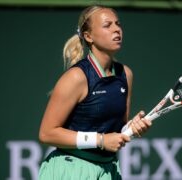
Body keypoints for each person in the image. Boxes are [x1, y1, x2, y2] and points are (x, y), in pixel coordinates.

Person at [38, 5, 152, 180]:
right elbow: (47, 133)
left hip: (108, 170)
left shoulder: (126, 74)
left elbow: (116, 129)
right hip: (70, 170)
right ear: (88, 36)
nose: (116, 29)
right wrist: (100, 140)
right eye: (107, 25)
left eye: (118, 24)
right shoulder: (76, 77)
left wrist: (131, 128)